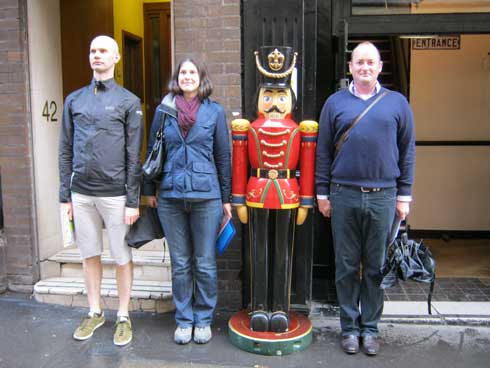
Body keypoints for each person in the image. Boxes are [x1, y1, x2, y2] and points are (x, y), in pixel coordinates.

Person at [315, 41, 416, 356]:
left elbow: (407, 151)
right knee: (345, 265)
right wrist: (322, 192)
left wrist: (405, 195)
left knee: (375, 266)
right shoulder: (334, 103)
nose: (365, 68)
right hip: (343, 194)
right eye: (359, 62)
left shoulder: (397, 103)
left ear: (379, 67)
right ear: (350, 67)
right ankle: (349, 328)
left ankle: (370, 329)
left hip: (384, 197)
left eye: (371, 62)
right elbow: (322, 151)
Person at [58, 35, 143, 346]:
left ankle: (123, 315)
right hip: (81, 194)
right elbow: (65, 148)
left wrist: (133, 200)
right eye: (92, 50)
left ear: (117, 57)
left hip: (116, 195)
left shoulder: (129, 102)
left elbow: (135, 155)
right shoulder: (74, 100)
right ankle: (94, 311)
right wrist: (64, 196)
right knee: (89, 254)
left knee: (121, 256)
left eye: (103, 51)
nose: (97, 55)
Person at [142, 58, 232, 345]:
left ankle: (203, 319)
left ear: (201, 77)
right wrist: (149, 191)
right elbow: (152, 150)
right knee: (180, 263)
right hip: (170, 195)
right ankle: (184, 319)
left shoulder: (215, 112)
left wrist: (227, 199)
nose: (188, 76)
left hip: (207, 197)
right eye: (183, 72)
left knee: (204, 262)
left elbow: (223, 156)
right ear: (176, 78)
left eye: (193, 72)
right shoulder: (164, 110)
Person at [231, 46, 317, 332]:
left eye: (281, 97)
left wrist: (305, 201)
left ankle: (280, 307)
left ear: (289, 98)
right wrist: (239, 200)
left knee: (284, 251)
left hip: (287, 193)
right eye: (268, 96)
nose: (275, 104)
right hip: (256, 193)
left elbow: (307, 164)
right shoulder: (247, 127)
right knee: (258, 251)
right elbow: (240, 165)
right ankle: (258, 307)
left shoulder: (301, 129)